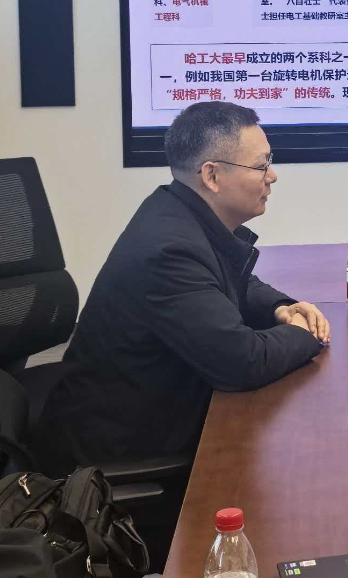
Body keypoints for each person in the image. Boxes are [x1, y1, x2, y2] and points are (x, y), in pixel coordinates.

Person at [43, 102, 329, 468]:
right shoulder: (169, 250)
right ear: (212, 175)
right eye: (261, 166)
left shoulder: (179, 212)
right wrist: (304, 333)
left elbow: (234, 282)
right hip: (119, 447)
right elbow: (241, 363)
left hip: (152, 408)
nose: (272, 176)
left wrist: (281, 308)